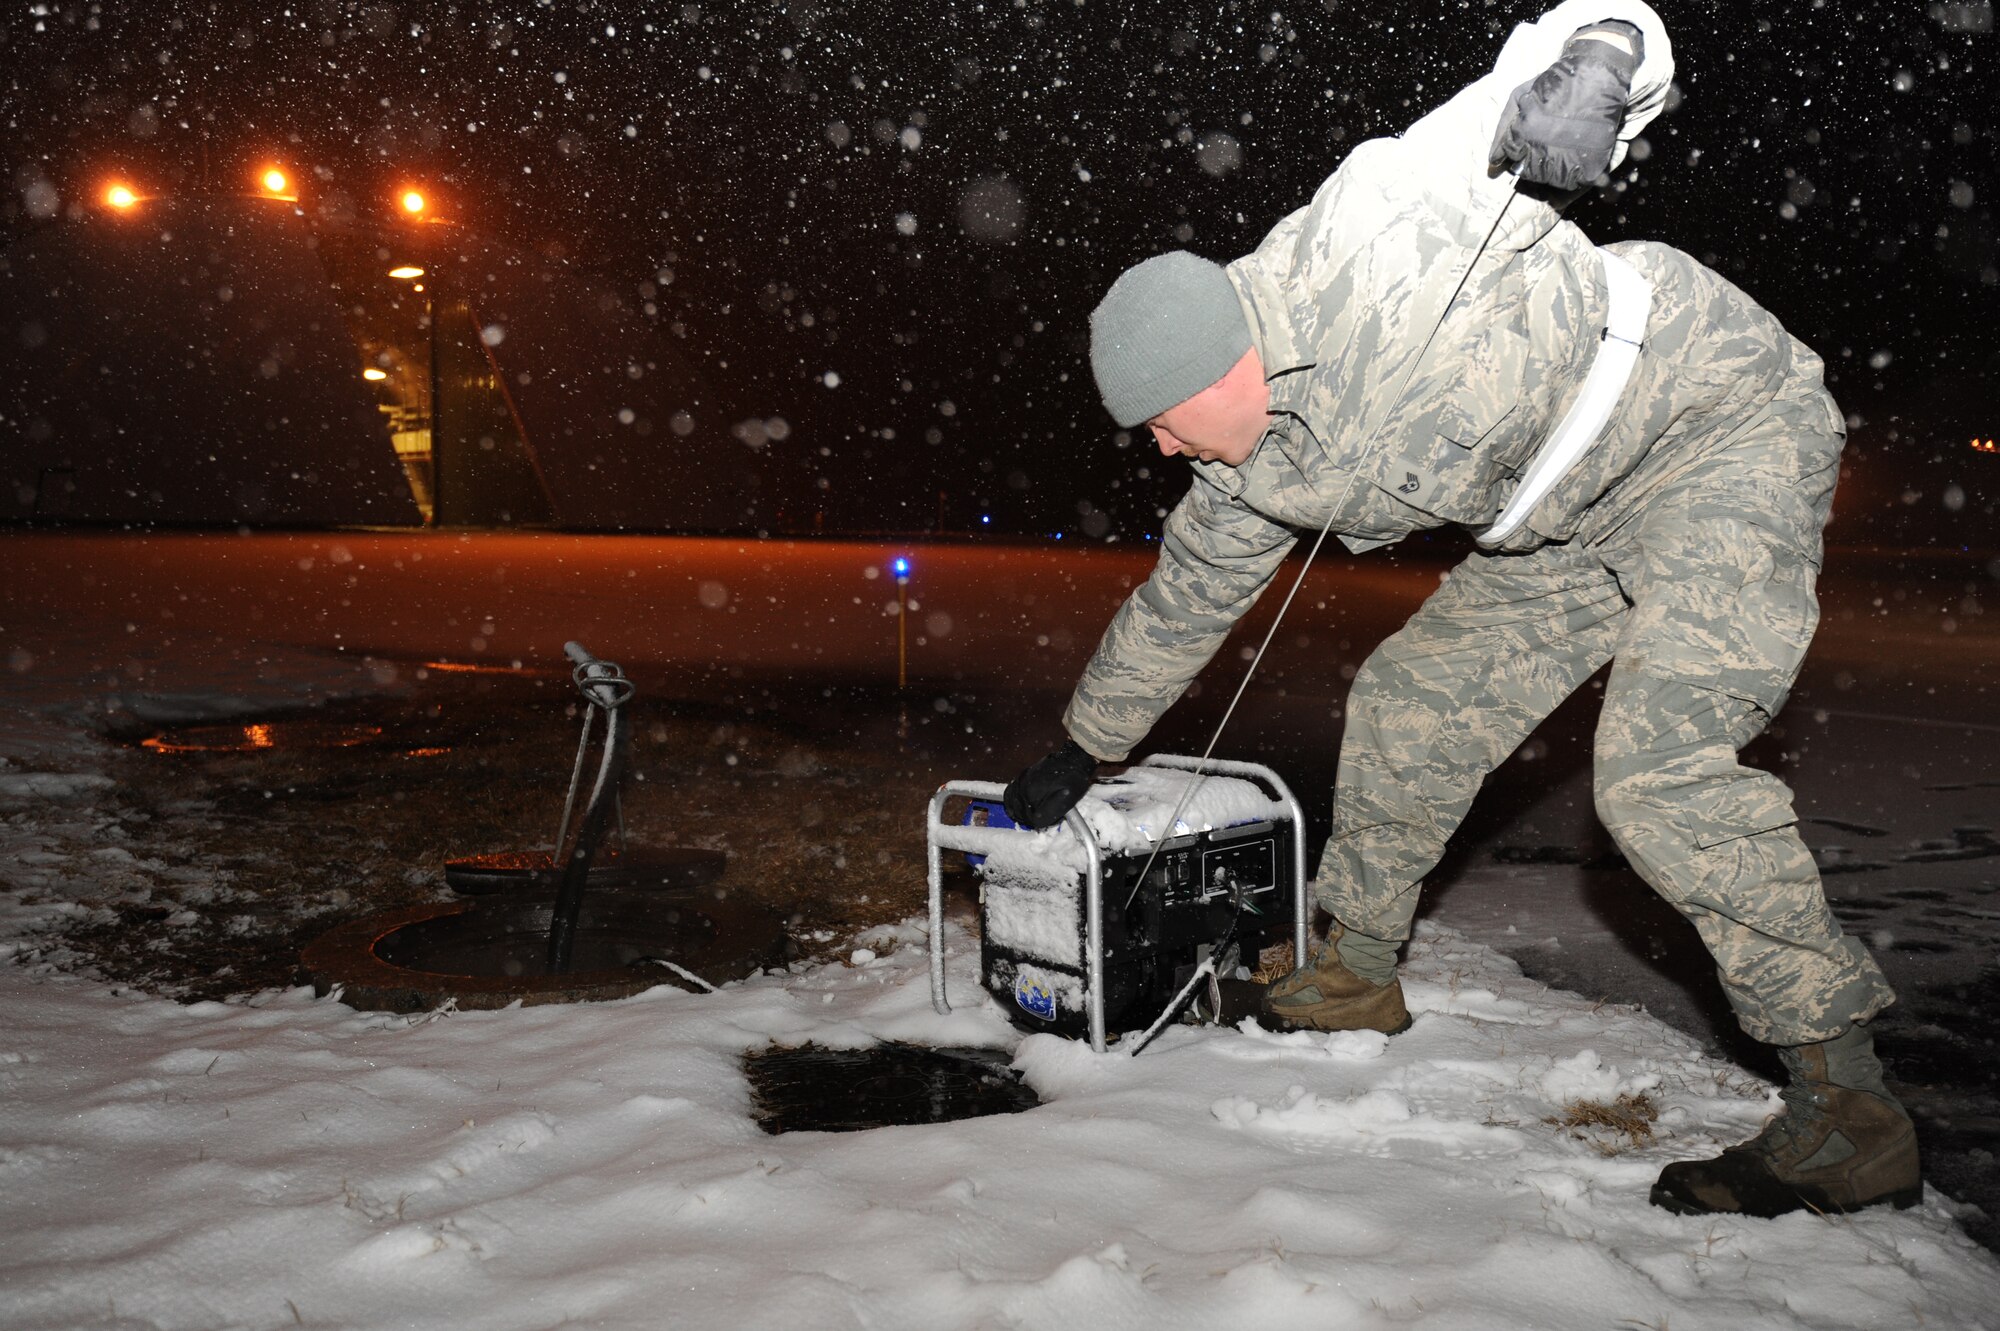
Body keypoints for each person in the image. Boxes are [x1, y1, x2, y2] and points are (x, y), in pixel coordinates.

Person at [1000, 0, 1921, 1220]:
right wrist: (1083, 742)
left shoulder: (1367, 232)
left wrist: (1595, 71)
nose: (1162, 447)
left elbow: (1560, 54)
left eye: (1163, 419)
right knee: (1407, 698)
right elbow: (1176, 606)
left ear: (1218, 367)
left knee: (1654, 772)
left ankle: (1845, 1111)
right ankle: (1354, 973)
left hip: (1714, 434)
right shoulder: (1242, 469)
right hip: (1558, 520)